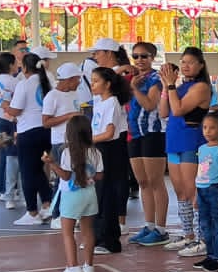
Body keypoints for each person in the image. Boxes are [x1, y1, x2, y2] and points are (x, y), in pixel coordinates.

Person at [159, 47, 213, 254]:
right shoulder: (180, 87)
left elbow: (179, 109)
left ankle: (201, 237)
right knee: (180, 191)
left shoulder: (201, 87)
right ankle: (188, 234)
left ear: (200, 65)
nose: (185, 66)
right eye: (183, 62)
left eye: (190, 62)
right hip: (174, 141)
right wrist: (166, 87)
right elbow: (164, 111)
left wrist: (171, 85)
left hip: (191, 141)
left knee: (192, 191)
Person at [49, 117, 103, 272]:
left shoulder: (67, 152)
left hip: (72, 196)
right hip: (90, 194)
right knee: (88, 231)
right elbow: (100, 175)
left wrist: (51, 164)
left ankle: (72, 267)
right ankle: (89, 266)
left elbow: (65, 176)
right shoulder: (95, 152)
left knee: (68, 232)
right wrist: (89, 176)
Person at [126, 42, 170, 246]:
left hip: (153, 133)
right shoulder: (133, 77)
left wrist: (134, 88)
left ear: (152, 57)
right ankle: (149, 224)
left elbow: (150, 104)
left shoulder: (155, 79)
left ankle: (160, 228)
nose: (139, 60)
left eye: (144, 56)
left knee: (155, 181)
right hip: (135, 133)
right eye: (135, 56)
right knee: (142, 182)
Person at [6, 52, 54, 224]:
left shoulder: (24, 85)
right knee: (37, 170)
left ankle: (32, 212)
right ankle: (47, 203)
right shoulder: (47, 82)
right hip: (46, 131)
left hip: (28, 132)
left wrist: (5, 106)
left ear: (25, 67)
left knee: (27, 172)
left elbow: (16, 110)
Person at [89, 66, 131, 255]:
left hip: (109, 150)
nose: (92, 84)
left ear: (107, 84)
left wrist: (87, 140)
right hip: (99, 149)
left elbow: (108, 133)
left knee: (106, 194)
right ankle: (97, 236)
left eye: (96, 81)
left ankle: (109, 240)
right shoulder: (100, 102)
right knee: (98, 193)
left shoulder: (112, 102)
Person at [41, 63, 84, 228]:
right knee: (62, 178)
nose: (79, 82)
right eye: (77, 79)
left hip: (75, 141)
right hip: (60, 142)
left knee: (74, 178)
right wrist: (68, 116)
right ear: (69, 79)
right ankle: (56, 214)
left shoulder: (75, 94)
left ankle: (71, 213)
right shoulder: (52, 96)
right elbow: (46, 122)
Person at [191, 111, 218, 272]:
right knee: (205, 224)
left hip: (216, 188)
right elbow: (200, 172)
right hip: (202, 189)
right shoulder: (201, 148)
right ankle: (210, 254)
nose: (207, 131)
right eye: (205, 127)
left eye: (212, 128)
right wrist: (196, 195)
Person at [0, 52, 22, 209]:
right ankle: (10, 191)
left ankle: (0, 190)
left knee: (3, 154)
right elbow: (14, 101)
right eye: (15, 63)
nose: (18, 66)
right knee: (12, 155)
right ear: (10, 65)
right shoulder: (14, 81)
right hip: (9, 119)